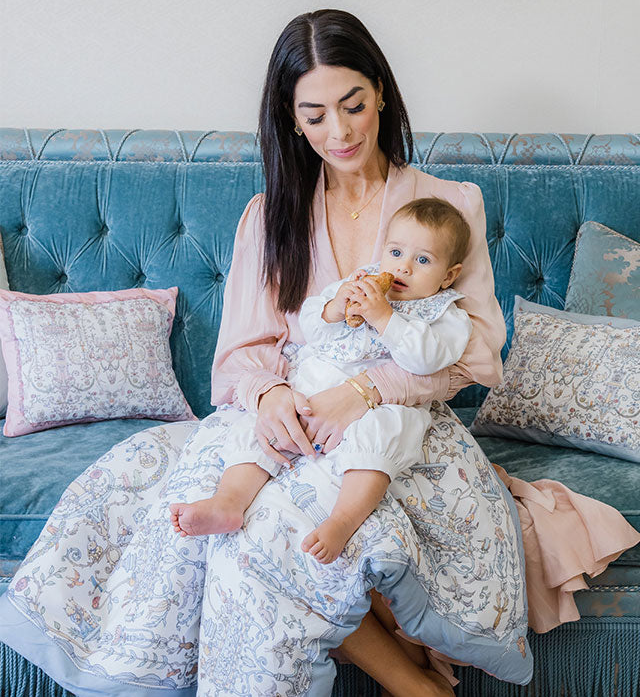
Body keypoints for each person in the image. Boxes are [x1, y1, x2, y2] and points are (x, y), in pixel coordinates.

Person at [0, 9, 640, 697]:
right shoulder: (269, 214)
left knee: (274, 528)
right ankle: (411, 682)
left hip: (397, 432)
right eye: (315, 114)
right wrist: (273, 397)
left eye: (353, 105)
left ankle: (405, 681)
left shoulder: (448, 206)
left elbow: (477, 355)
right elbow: (240, 357)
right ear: (290, 117)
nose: (338, 132)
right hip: (293, 418)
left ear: (382, 93)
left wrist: (365, 392)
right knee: (191, 501)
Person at [169, 197, 474, 566]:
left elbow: (427, 361)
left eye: (423, 260)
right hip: (316, 384)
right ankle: (229, 502)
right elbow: (312, 327)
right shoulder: (360, 281)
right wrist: (333, 309)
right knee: (259, 428)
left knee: (385, 438)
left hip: (382, 402)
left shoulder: (447, 316)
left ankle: (342, 520)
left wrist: (384, 319)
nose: (403, 267)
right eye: (395, 252)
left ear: (448, 275)